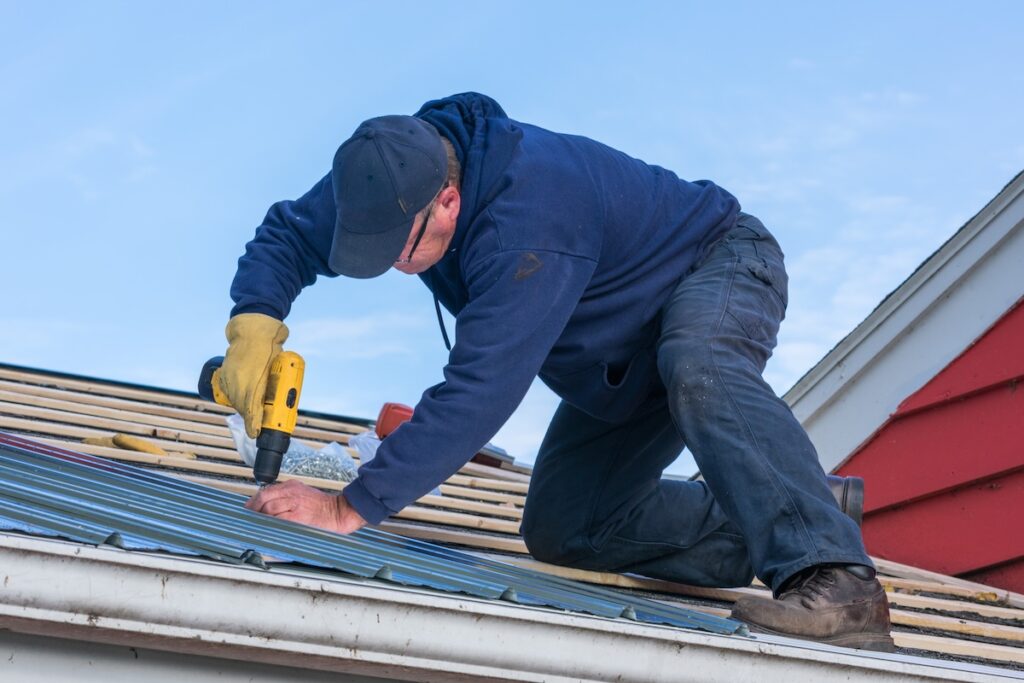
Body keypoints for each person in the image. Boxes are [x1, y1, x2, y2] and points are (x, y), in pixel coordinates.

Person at [221, 92, 893, 651]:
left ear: (449, 201)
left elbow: (481, 389)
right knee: (565, 528)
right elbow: (289, 232)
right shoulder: (389, 174)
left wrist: (347, 506)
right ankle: (803, 504)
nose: (397, 264)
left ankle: (839, 583)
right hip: (620, 351)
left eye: (404, 249)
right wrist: (253, 323)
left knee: (700, 365)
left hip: (715, 266)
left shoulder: (528, 218)